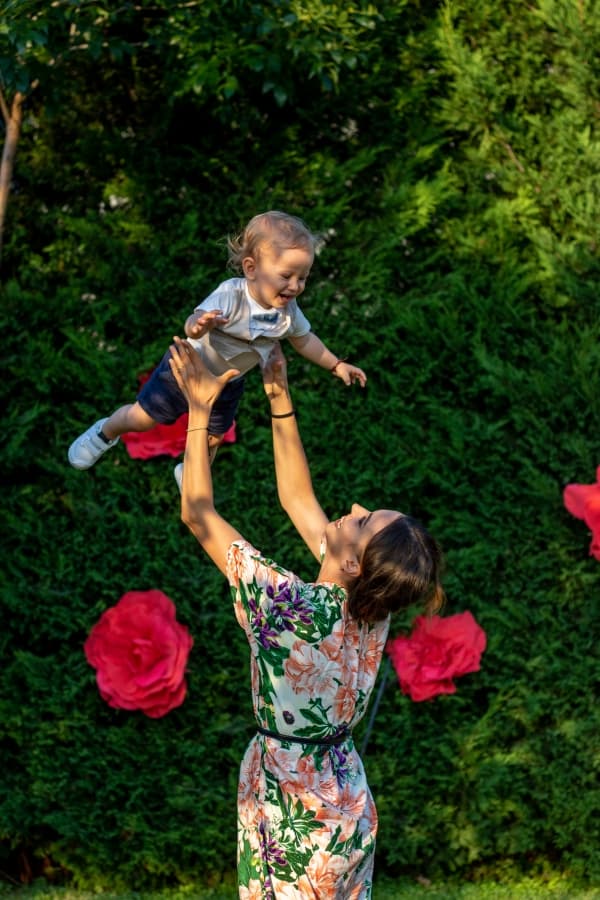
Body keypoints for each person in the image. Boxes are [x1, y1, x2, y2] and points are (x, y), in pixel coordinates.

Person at [167, 335, 444, 898]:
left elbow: (197, 513)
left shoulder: (286, 605)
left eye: (364, 523)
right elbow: (297, 499)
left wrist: (199, 412)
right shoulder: (370, 607)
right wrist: (278, 390)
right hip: (346, 802)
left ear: (350, 560)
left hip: (290, 806)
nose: (357, 509)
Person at [68, 210, 367, 473]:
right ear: (251, 269)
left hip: (227, 382)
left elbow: (306, 341)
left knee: (214, 436)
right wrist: (198, 326)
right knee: (142, 418)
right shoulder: (232, 295)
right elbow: (192, 322)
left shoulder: (288, 313)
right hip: (186, 370)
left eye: (303, 277)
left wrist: (335, 364)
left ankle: (191, 470)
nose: (295, 285)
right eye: (287, 275)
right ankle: (104, 433)